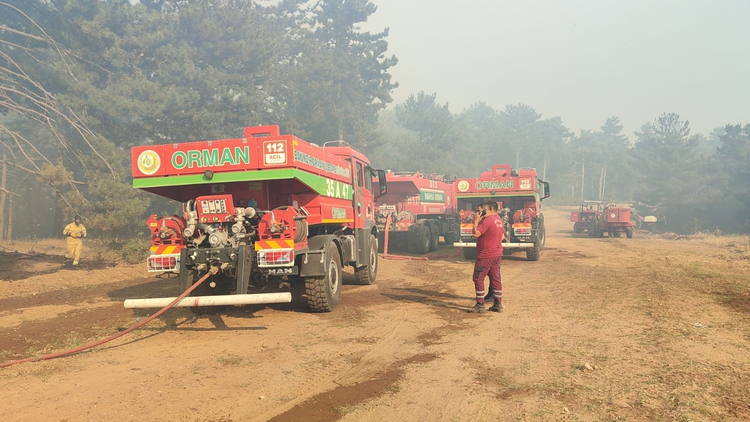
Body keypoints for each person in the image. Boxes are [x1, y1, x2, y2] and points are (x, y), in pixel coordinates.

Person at [468, 201, 504, 313]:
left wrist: (476, 221)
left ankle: (480, 304)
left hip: (485, 255)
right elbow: (502, 236)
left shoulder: (487, 221)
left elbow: (475, 234)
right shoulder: (498, 220)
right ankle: (498, 304)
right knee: (495, 279)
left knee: (478, 279)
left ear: (490, 210)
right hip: (497, 254)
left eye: (481, 211)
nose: (479, 213)